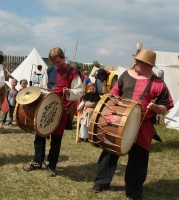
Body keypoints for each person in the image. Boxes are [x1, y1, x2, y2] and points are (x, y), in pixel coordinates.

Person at [92, 49, 174, 200]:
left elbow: (166, 106)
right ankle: (101, 182)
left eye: (139, 61)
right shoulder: (125, 76)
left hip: (143, 126)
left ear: (148, 65)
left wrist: (155, 108)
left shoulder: (158, 84)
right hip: (118, 122)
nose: (135, 62)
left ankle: (134, 191)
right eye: (136, 60)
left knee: (139, 159)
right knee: (109, 152)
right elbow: (113, 94)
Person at [23, 47, 83, 177]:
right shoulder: (49, 71)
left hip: (61, 111)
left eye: (58, 62)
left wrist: (69, 92)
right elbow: (42, 88)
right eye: (54, 63)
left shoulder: (73, 73)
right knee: (40, 136)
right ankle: (37, 161)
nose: (56, 65)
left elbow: (79, 91)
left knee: (56, 140)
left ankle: (52, 165)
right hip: (46, 108)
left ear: (63, 57)